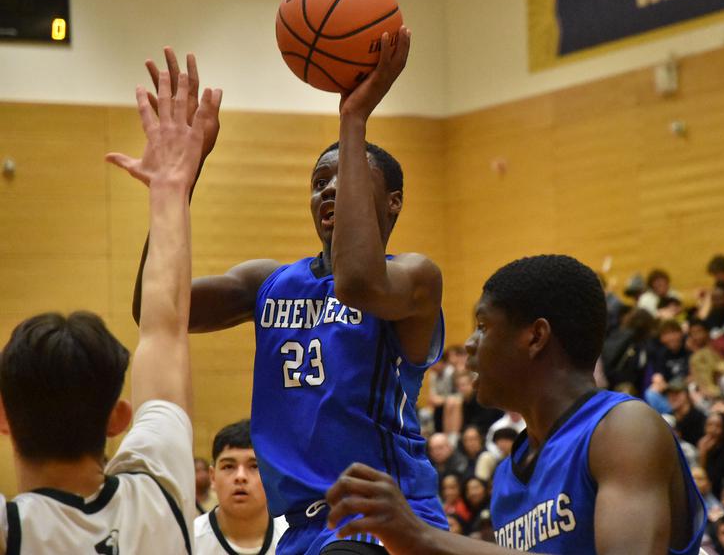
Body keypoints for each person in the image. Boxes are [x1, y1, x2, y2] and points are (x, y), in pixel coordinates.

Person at [130, 32, 450, 555]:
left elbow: (358, 282)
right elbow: (154, 308)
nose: (328, 188)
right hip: (300, 532)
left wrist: (353, 118)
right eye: (318, 180)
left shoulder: (414, 279)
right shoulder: (269, 282)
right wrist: (174, 186)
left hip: (383, 520)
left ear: (393, 203)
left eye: (344, 174)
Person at [324, 255, 707, 553]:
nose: (470, 343)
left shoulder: (622, 428)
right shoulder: (509, 474)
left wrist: (424, 538)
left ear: (535, 336)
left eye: (483, 325)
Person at [0, 66, 218, 552]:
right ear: (118, 418)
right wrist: (170, 188)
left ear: (3, 415)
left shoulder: (12, 531)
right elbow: (165, 329)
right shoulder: (161, 492)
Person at [195, 420, 289, 555]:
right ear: (212, 477)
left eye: (254, 466)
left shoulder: (292, 539)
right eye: (228, 466)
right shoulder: (189, 540)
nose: (240, 476)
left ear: (271, 476)